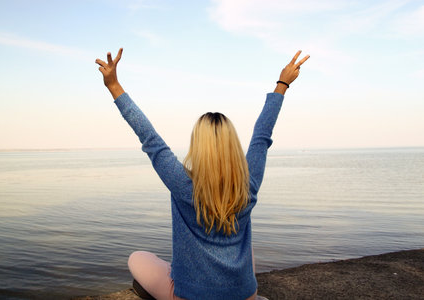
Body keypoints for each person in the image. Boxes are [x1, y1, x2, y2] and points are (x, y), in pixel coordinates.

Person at [95, 49, 309, 300]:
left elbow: (150, 138)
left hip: (191, 296)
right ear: (232, 145)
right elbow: (262, 135)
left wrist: (113, 86)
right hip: (245, 294)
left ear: (197, 146)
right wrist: (282, 84)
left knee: (138, 259)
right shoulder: (247, 184)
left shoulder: (184, 185)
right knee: (245, 251)